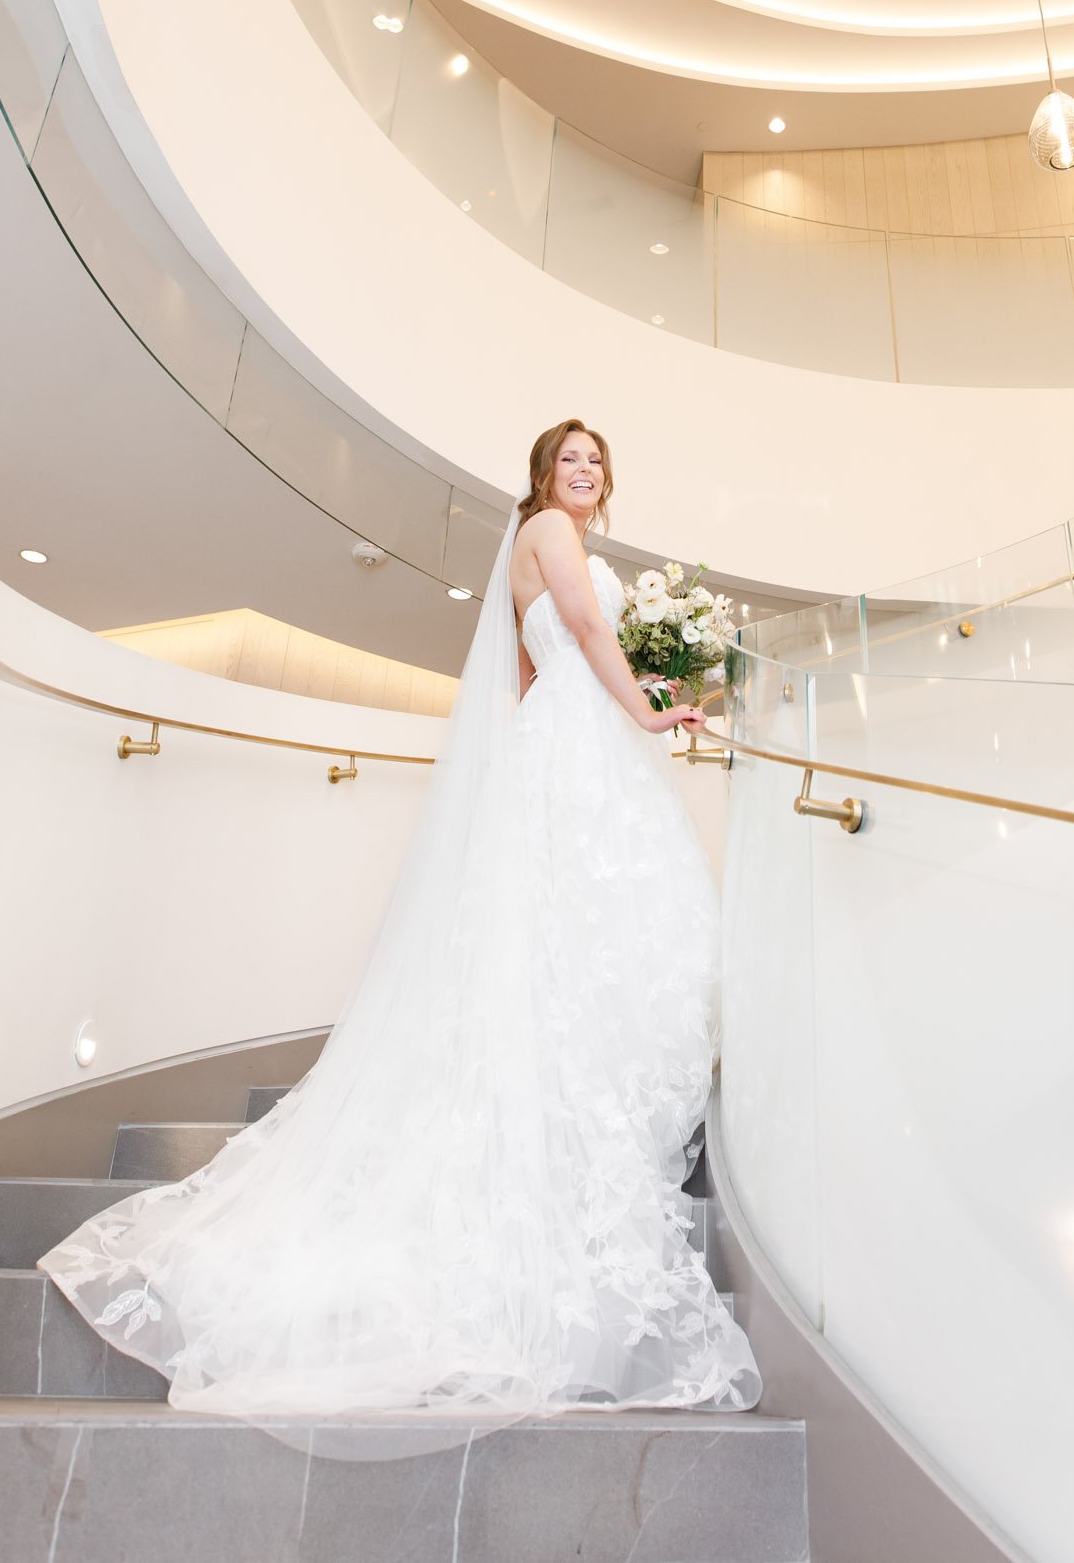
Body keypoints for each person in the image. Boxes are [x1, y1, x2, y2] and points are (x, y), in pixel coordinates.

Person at [39, 418, 761, 1421]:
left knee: (576, 932)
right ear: (547, 475)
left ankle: (585, 1097)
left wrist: (621, 701)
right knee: (596, 921)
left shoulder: (551, 546)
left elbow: (525, 671)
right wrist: (642, 710)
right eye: (570, 458)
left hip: (569, 735)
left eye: (596, 460)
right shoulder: (551, 530)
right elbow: (588, 637)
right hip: (584, 738)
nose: (584, 472)